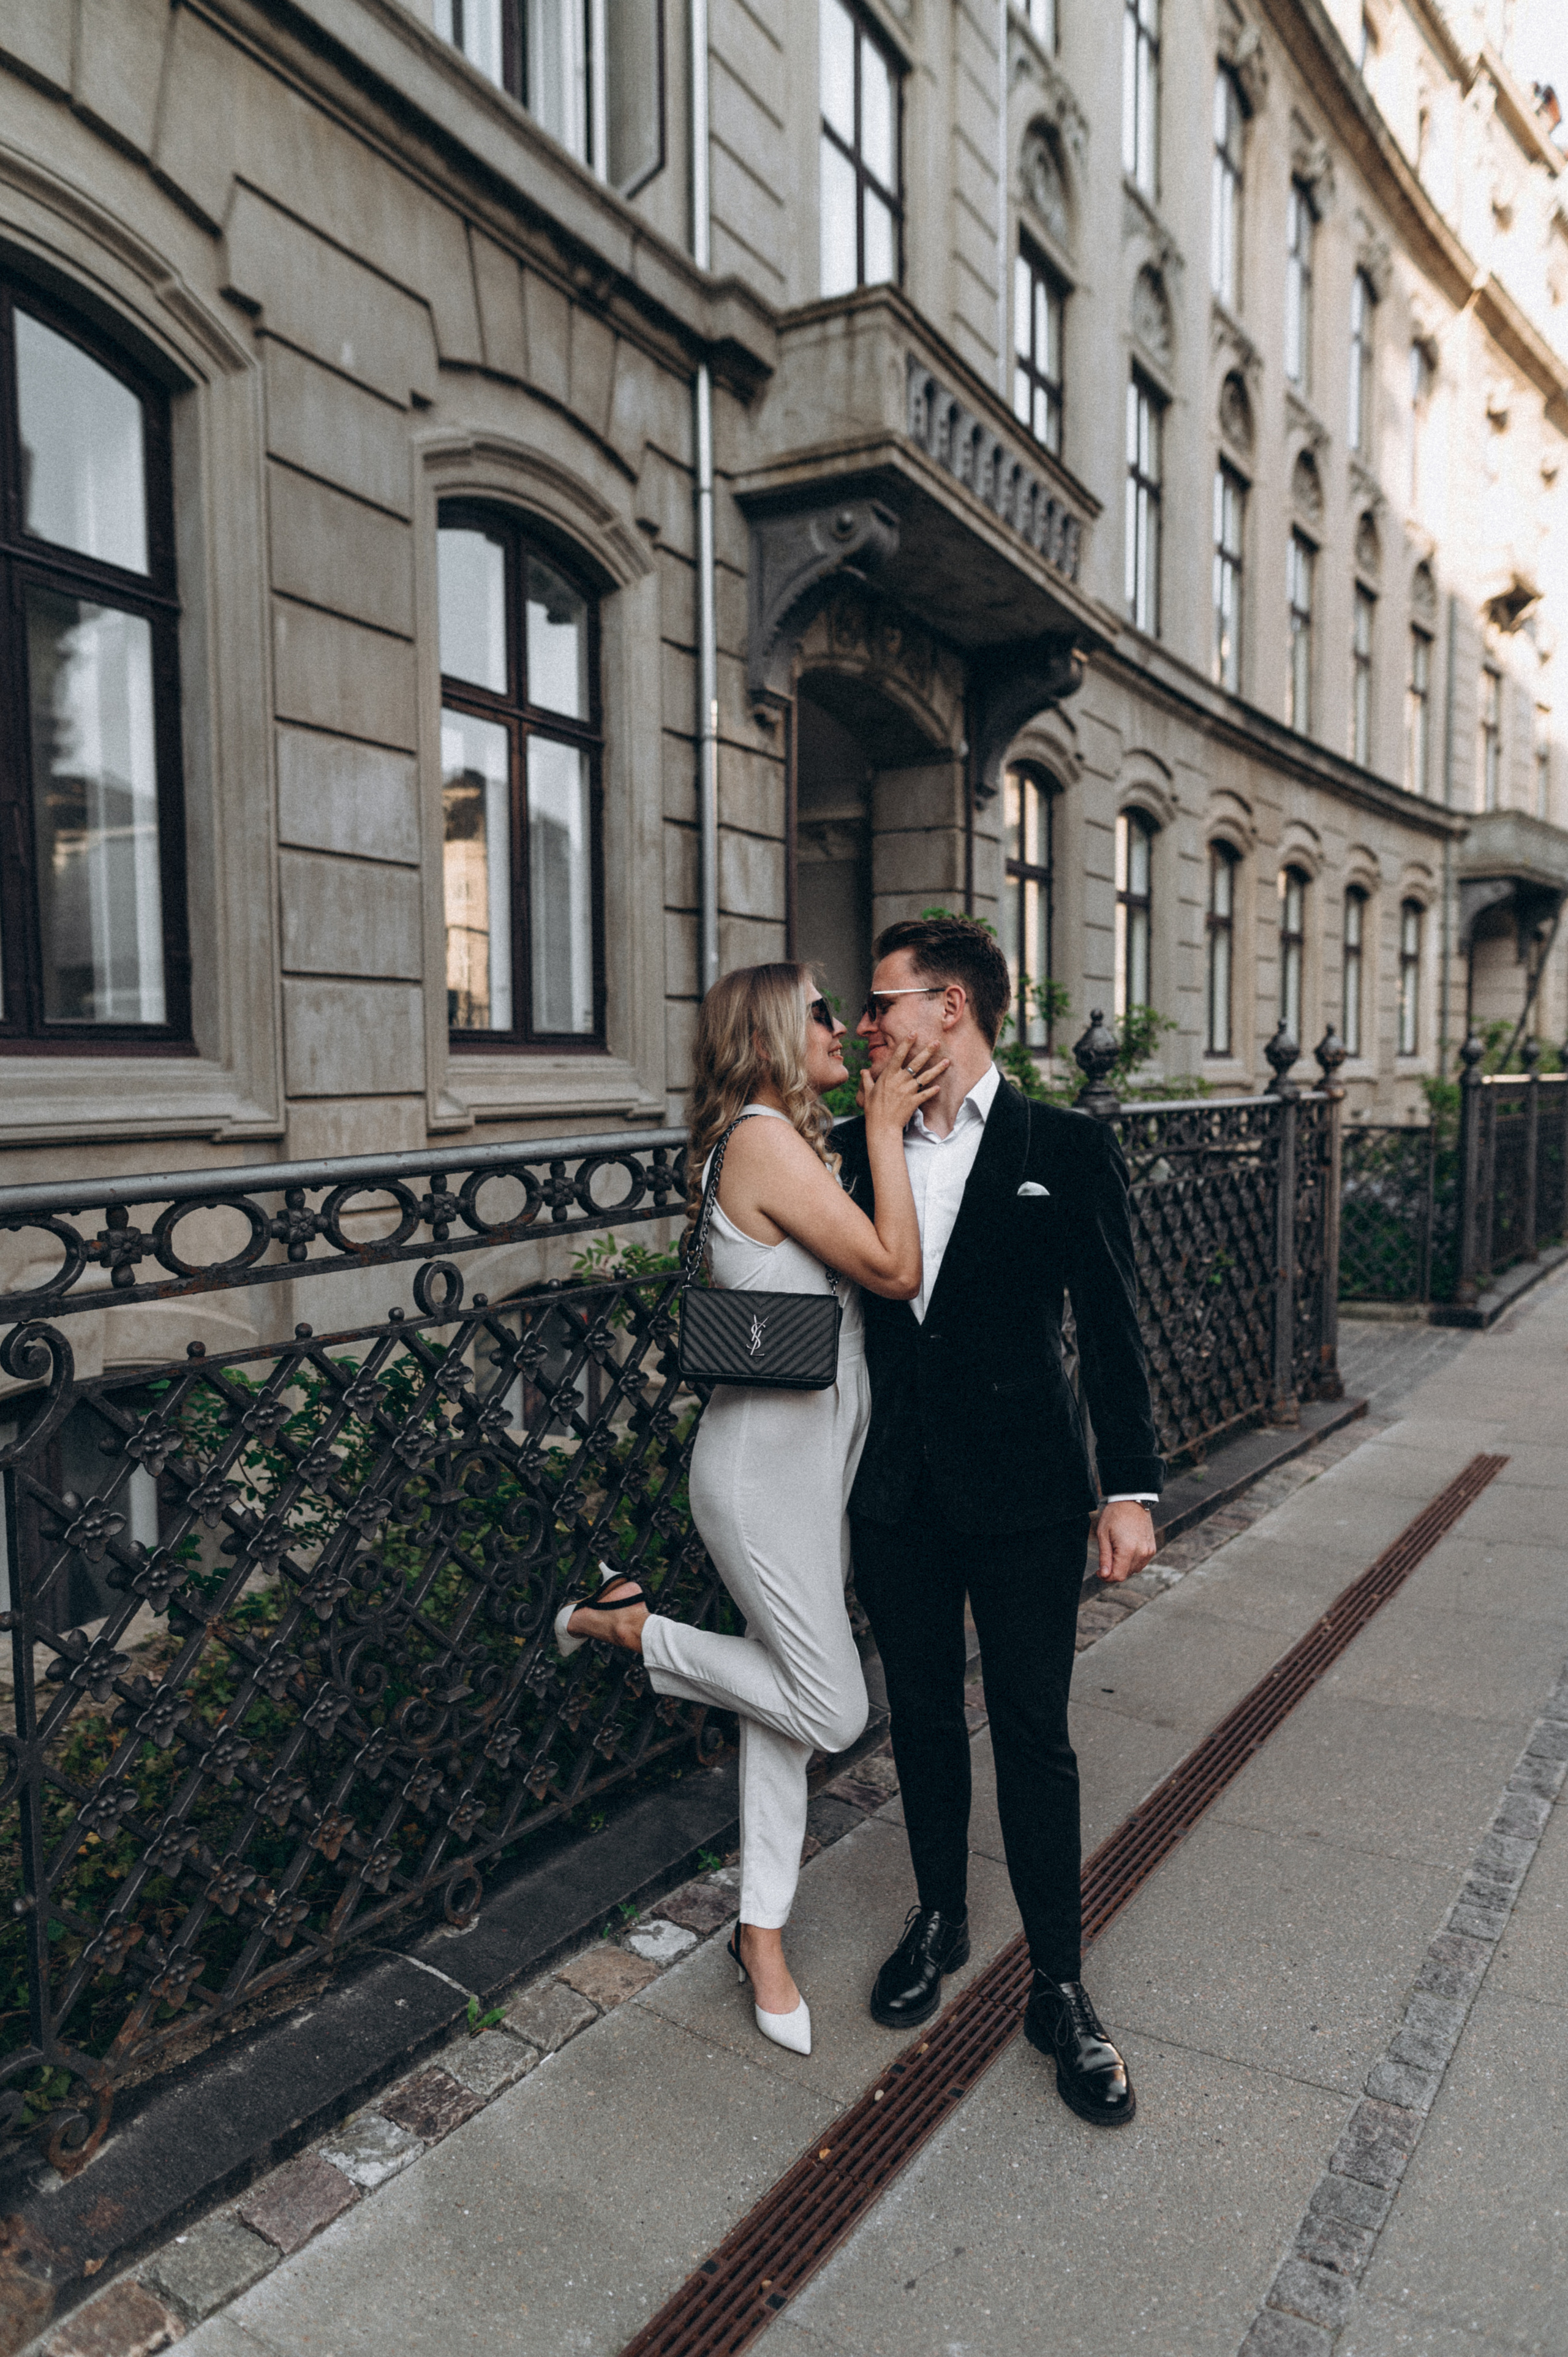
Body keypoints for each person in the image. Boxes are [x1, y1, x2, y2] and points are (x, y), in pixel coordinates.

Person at [554, 962, 945, 2057]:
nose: (847, 1027)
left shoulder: (784, 1138)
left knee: (780, 1694)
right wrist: (882, 1125)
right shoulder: (769, 1139)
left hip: (810, 1465)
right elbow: (894, 1268)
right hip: (761, 1473)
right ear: (773, 1033)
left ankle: (759, 1933)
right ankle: (630, 1627)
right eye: (823, 1011)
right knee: (831, 1711)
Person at [837, 915, 1162, 2128]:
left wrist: (1127, 1487)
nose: (866, 1024)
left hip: (1028, 1494)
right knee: (917, 1715)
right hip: (895, 1494)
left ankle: (1060, 1989)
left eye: (884, 1003)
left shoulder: (1062, 1145)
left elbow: (1114, 1328)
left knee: (1032, 1730)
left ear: (951, 1011)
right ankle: (936, 1915)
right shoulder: (836, 1143)